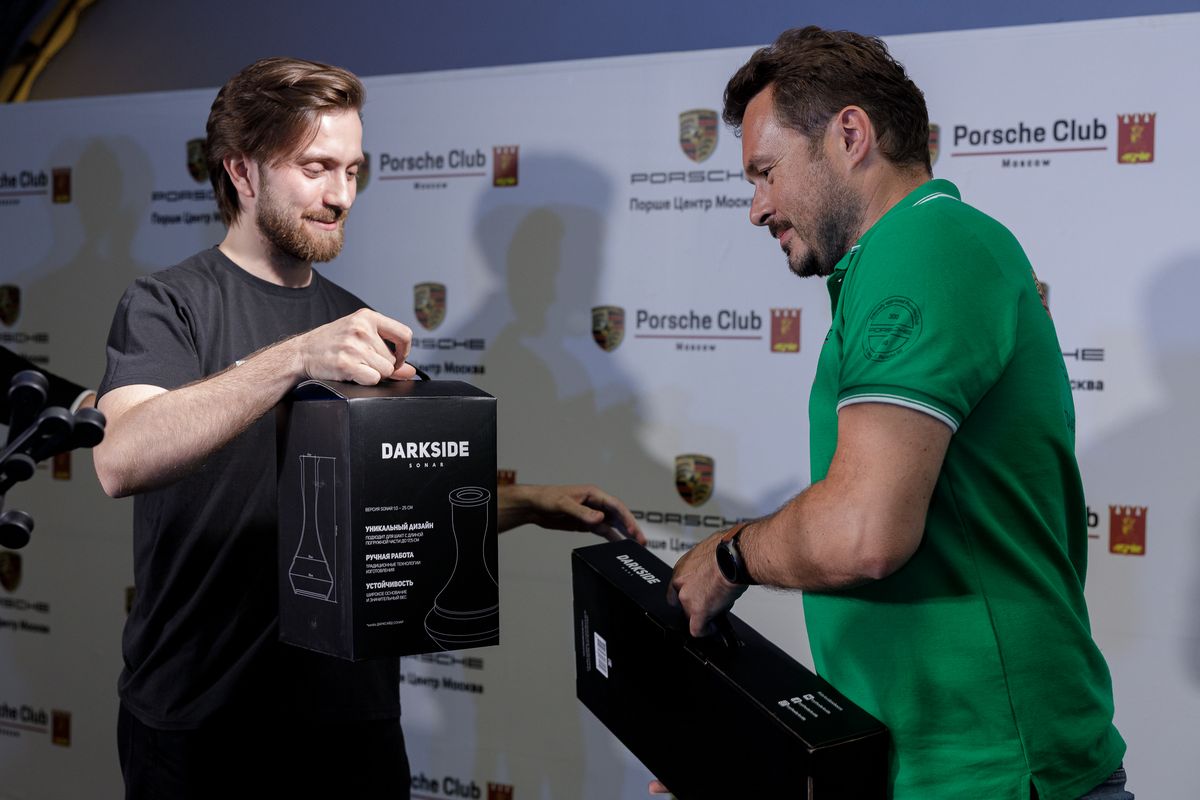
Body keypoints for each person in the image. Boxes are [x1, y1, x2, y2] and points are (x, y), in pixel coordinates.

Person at [93, 57, 642, 800]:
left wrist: (530, 503)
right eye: (316, 168)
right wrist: (294, 359)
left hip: (351, 722)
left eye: (353, 170)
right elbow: (120, 458)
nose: (342, 195)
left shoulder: (353, 321)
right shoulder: (169, 305)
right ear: (242, 171)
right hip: (202, 723)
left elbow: (392, 512)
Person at [662, 27, 1129, 800]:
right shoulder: (901, 258)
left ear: (851, 135)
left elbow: (863, 533)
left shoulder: (925, 244)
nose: (757, 208)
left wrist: (729, 557)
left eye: (766, 173)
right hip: (923, 768)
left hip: (992, 777)